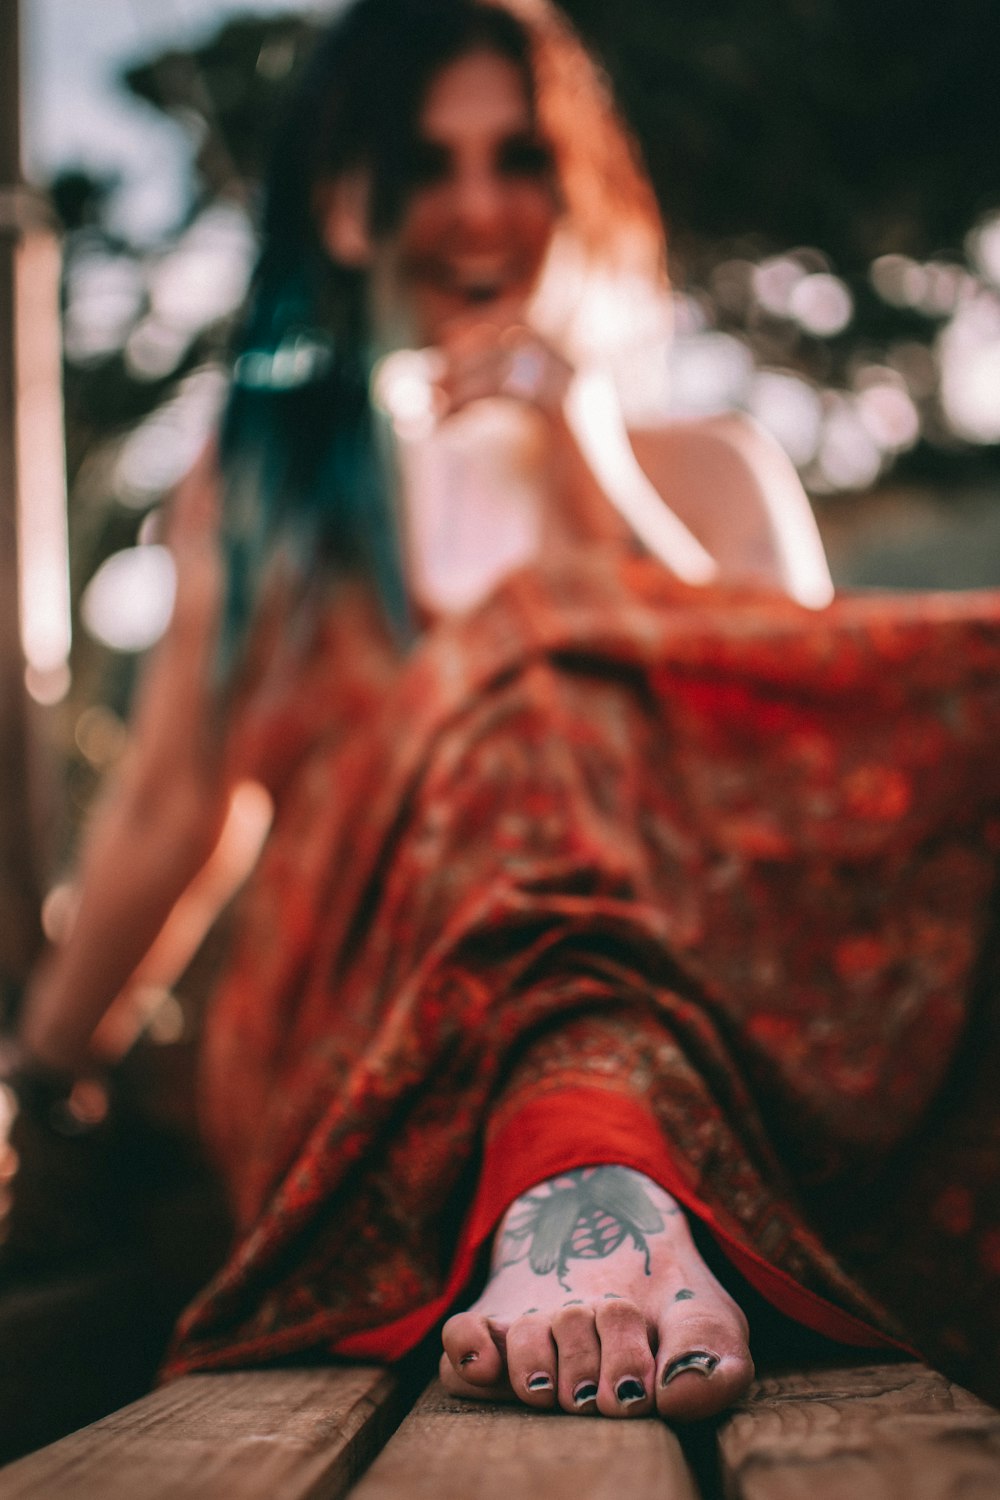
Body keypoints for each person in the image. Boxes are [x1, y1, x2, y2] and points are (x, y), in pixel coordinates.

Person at [10, 0, 1000, 1424]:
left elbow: (807, 755)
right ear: (349, 207)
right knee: (519, 692)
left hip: (697, 1007)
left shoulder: (705, 466)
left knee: (576, 687)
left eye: (517, 157)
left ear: (574, 181)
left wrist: (592, 468)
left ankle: (593, 1168)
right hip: (370, 1024)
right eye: (424, 164)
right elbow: (175, 810)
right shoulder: (260, 500)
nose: (477, 209)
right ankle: (588, 1183)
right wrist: (40, 1070)